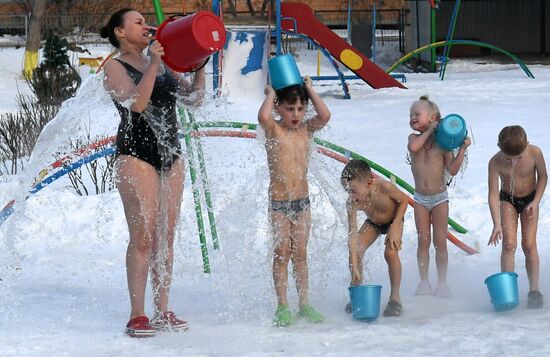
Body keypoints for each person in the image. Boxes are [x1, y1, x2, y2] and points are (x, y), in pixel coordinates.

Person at [100, 8, 205, 337]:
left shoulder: (163, 63)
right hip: (135, 156)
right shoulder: (114, 67)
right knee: (143, 237)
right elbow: (136, 104)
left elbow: (194, 100)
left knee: (165, 238)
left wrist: (200, 66)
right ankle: (137, 314)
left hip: (171, 155)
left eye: (147, 21)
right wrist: (155, 63)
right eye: (138, 22)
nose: (147, 26)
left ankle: (162, 310)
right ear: (120, 32)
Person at [258, 76, 331, 327]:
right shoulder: (274, 129)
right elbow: (263, 118)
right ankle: (282, 306)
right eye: (290, 109)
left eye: (300, 108)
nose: (296, 114)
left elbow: (325, 116)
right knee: (282, 253)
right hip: (279, 205)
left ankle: (304, 304)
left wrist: (310, 89)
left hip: (302, 204)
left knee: (300, 254)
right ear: (279, 107)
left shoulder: (306, 130)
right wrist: (270, 93)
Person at [407, 95, 471, 298]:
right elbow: (414, 148)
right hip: (420, 199)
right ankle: (424, 282)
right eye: (411, 115)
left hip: (439, 198)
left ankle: (442, 283)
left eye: (417, 114)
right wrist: (431, 130)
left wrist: (462, 148)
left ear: (433, 117)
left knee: (440, 241)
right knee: (423, 241)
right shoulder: (413, 138)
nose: (412, 118)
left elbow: (452, 169)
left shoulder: (443, 145)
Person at [488, 125, 547, 309]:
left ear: (526, 145)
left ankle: (534, 290)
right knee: (509, 244)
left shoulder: (535, 152)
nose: (513, 163)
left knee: (529, 244)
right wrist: (496, 223)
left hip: (530, 199)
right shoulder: (495, 162)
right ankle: (508, 291)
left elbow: (544, 177)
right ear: (499, 147)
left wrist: (536, 201)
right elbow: (492, 193)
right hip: (508, 200)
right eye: (508, 158)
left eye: (518, 158)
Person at [341, 160, 408, 317]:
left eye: (354, 190)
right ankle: (357, 289)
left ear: (369, 183)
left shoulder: (384, 187)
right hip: (373, 223)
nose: (351, 196)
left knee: (390, 253)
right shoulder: (352, 203)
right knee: (356, 249)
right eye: (347, 191)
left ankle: (395, 298)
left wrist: (395, 226)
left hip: (394, 219)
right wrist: (355, 268)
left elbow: (404, 200)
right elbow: (352, 237)